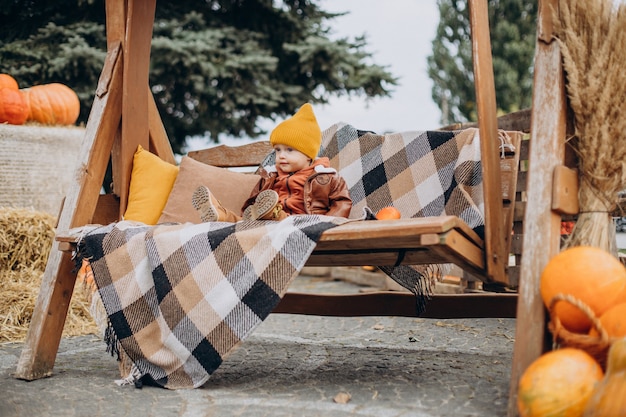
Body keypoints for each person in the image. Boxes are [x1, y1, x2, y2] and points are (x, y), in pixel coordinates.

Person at [192, 103, 352, 222]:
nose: (281, 155)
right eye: (278, 150)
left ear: (308, 156)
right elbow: (252, 202)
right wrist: (250, 212)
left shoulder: (325, 177)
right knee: (242, 223)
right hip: (265, 221)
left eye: (289, 150)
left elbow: (342, 202)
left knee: (275, 216)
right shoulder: (270, 176)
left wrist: (328, 223)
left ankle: (271, 213)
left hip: (301, 222)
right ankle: (219, 214)